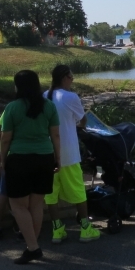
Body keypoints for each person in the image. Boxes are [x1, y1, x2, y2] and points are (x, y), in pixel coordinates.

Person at [0, 70, 60, 264]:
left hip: (19, 159)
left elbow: (5, 138)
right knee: (36, 204)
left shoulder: (12, 108)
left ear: (18, 86)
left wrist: (2, 159)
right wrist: (58, 158)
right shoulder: (49, 106)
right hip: (44, 158)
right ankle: (32, 245)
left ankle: (33, 247)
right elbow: (55, 136)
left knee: (18, 205)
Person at [44, 65, 101, 243]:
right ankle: (85, 228)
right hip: (68, 152)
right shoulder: (71, 97)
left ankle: (57, 229)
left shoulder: (44, 96)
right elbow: (82, 120)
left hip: (48, 152)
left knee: (51, 194)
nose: (73, 79)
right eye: (71, 76)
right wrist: (80, 126)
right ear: (64, 78)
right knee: (78, 190)